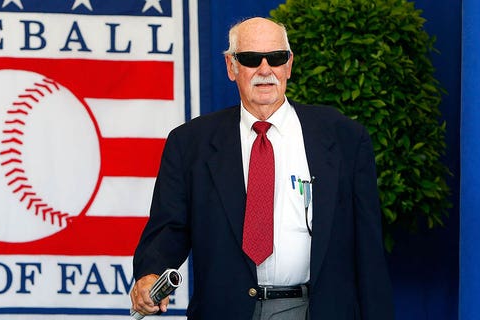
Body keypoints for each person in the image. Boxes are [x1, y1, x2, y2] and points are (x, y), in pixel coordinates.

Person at [130, 17, 394, 320]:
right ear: (232, 67)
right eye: (252, 59)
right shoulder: (190, 143)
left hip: (317, 309)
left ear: (289, 65)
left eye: (277, 58)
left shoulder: (345, 137)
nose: (265, 70)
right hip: (226, 310)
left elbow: (369, 248)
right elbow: (169, 227)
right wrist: (150, 273)